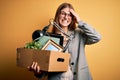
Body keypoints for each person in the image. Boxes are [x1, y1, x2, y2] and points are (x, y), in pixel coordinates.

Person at [28, 2, 101, 80]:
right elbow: (45, 67)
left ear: (73, 18)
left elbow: (96, 37)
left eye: (69, 15)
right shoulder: (48, 38)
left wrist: (79, 21)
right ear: (58, 15)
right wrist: (38, 72)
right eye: (63, 13)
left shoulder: (79, 34)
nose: (66, 17)